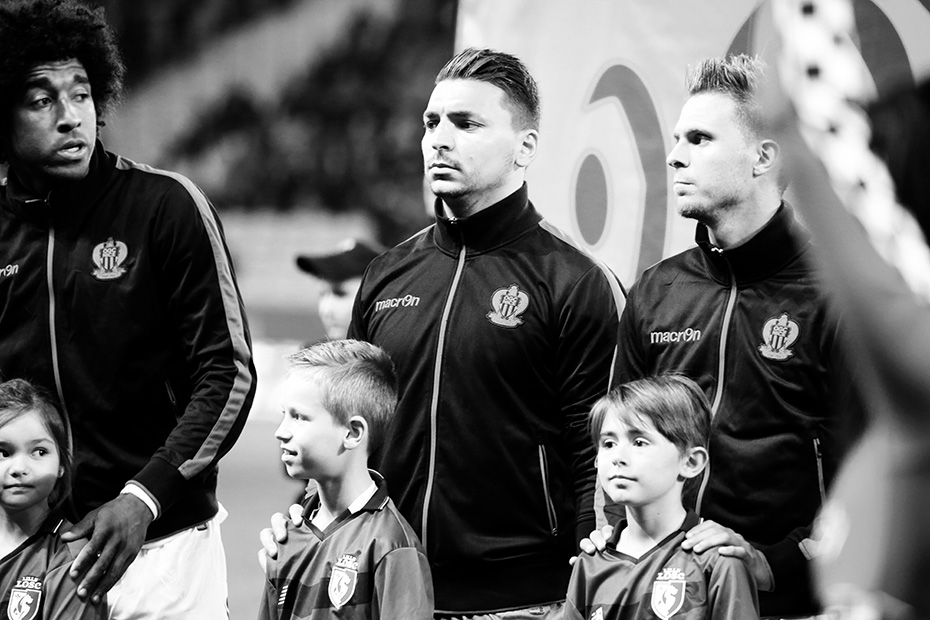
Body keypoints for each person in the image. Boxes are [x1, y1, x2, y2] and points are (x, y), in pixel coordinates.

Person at [264, 47, 626, 618]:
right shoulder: (387, 274)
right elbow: (344, 429)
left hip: (525, 601)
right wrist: (304, 521)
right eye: (431, 123)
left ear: (525, 147)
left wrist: (593, 580)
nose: (439, 139)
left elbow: (600, 450)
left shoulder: (575, 281)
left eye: (466, 123)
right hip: (382, 589)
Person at [0, 1, 255, 617]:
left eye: (81, 94)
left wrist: (145, 496)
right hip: (28, 552)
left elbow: (227, 375)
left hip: (165, 550)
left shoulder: (166, 206)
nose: (71, 117)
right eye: (41, 100)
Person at [605, 54, 852, 617]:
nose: (675, 156)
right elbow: (620, 440)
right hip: (669, 597)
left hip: (797, 603)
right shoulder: (657, 290)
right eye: (677, 139)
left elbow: (872, 466)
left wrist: (778, 563)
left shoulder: (835, 294)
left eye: (699, 139)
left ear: (763, 157)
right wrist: (621, 542)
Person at [258, 339, 433, 619]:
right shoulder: (287, 537)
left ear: (352, 433)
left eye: (299, 417)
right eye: (284, 414)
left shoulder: (389, 546)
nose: (281, 431)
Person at [566, 375, 758, 620]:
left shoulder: (717, 561)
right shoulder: (590, 564)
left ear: (690, 462)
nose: (617, 457)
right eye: (608, 443)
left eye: (639, 442)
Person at [0, 378, 106, 620]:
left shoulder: (72, 557)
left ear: (61, 464)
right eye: (3, 452)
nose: (19, 468)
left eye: (39, 452)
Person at [295, 239, 383, 342]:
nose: (326, 311)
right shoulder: (312, 351)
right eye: (322, 294)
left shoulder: (395, 351)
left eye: (340, 294)